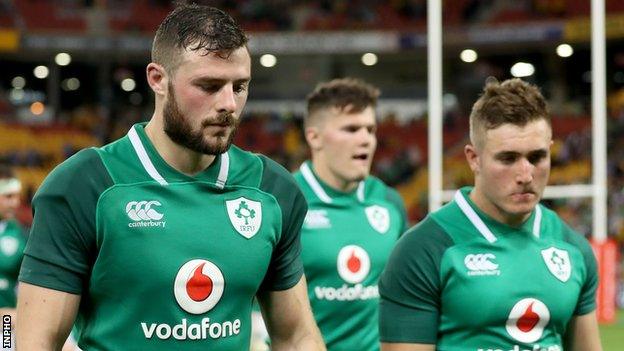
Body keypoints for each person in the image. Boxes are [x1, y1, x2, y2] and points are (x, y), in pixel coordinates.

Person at [17, 4, 325, 351]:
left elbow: (297, 336)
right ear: (157, 79)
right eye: (209, 85)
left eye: (239, 86)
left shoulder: (273, 189)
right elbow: (31, 341)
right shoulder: (85, 185)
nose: (229, 104)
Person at [378, 78, 603, 351]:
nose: (525, 175)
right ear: (474, 158)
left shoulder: (574, 249)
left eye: (537, 157)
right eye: (507, 158)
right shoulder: (422, 251)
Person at [295, 78, 408, 350]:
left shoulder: (388, 201)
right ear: (314, 137)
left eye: (370, 129)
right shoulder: (285, 201)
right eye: (351, 129)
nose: (365, 140)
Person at [0, 165, 26, 325]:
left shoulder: (21, 235)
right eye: (8, 196)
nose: (15, 203)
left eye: (17, 197)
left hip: (7, 324)